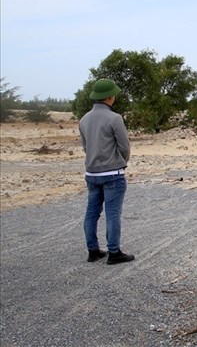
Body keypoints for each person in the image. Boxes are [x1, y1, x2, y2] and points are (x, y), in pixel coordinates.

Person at [79, 79, 135, 265]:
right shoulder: (115, 118)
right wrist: (121, 162)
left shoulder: (84, 119)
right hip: (113, 173)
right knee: (113, 214)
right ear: (110, 97)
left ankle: (93, 250)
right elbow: (124, 146)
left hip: (92, 173)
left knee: (91, 212)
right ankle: (114, 252)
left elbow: (86, 147)